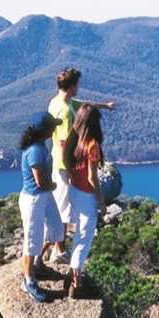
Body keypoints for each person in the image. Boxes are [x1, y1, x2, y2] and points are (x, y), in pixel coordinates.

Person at [46, 67, 115, 264]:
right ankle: (58, 250)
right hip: (63, 164)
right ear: (73, 85)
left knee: (64, 205)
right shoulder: (66, 112)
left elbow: (86, 105)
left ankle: (57, 247)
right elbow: (66, 142)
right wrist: (72, 169)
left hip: (57, 160)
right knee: (63, 207)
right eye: (78, 84)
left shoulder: (57, 101)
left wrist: (105, 106)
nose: (79, 87)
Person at [18, 111, 65, 302]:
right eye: (52, 126)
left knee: (56, 229)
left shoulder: (40, 145)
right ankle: (28, 281)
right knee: (31, 242)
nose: (55, 128)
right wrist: (54, 185)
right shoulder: (35, 151)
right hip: (34, 199)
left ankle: (38, 264)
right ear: (44, 131)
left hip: (44, 196)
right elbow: (40, 182)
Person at [62, 104, 106, 299]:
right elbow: (92, 177)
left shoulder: (75, 141)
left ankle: (70, 275)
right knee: (84, 239)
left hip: (74, 190)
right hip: (87, 195)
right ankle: (75, 286)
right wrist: (101, 201)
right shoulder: (92, 145)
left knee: (78, 235)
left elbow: (68, 164)